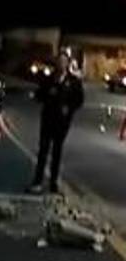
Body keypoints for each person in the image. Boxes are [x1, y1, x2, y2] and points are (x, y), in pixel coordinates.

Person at [29, 50, 85, 194]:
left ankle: (53, 182)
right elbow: (39, 95)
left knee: (57, 152)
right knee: (43, 151)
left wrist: (69, 108)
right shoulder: (49, 79)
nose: (61, 64)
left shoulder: (73, 82)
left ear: (67, 64)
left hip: (62, 122)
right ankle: (37, 181)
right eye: (59, 61)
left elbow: (79, 100)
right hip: (47, 119)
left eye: (64, 61)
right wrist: (43, 96)